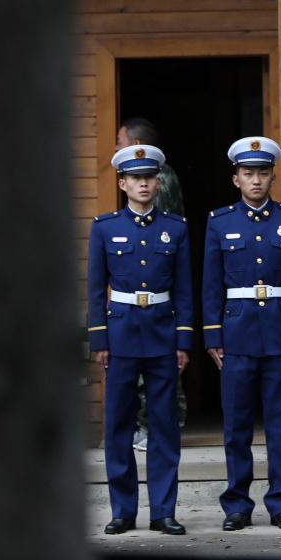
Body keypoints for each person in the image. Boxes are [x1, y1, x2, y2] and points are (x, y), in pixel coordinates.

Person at [202, 135, 281, 531]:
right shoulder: (219, 221)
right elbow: (211, 284)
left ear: (272, 177)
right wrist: (212, 336)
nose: (255, 180)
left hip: (280, 332)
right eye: (248, 173)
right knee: (237, 425)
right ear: (236, 179)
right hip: (236, 334)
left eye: (263, 173)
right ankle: (237, 504)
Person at [89, 142, 193, 535]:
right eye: (135, 178)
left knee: (164, 425)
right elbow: (96, 291)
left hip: (163, 333)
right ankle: (123, 511)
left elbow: (184, 289)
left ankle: (163, 511)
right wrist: (99, 341)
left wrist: (184, 341)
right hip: (120, 335)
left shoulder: (176, 228)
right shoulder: (104, 227)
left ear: (158, 181)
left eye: (149, 177)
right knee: (119, 424)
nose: (143, 184)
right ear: (123, 184)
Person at [117, 118, 185, 450]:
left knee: (161, 360)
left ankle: (155, 425)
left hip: (156, 284)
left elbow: (157, 235)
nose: (115, 147)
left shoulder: (162, 178)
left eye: (119, 141)